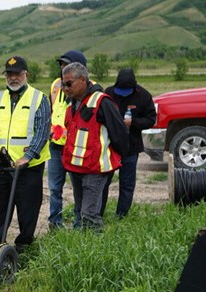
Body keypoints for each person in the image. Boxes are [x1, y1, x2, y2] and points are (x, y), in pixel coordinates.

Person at [0, 56, 51, 250]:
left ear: (26, 74)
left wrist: (27, 157)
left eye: (17, 74)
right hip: (1, 166)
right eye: (9, 74)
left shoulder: (39, 99)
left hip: (28, 168)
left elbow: (42, 132)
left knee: (27, 212)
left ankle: (23, 248)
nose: (13, 78)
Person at [60, 62, 128, 231]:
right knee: (80, 211)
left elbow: (119, 133)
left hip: (95, 169)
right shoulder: (72, 103)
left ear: (83, 80)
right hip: (76, 168)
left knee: (89, 214)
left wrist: (116, 158)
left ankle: (97, 252)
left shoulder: (102, 101)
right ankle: (83, 248)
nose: (65, 88)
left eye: (69, 84)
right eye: (63, 84)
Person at [101, 68, 156, 218]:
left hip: (131, 148)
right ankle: (98, 213)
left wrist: (134, 123)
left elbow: (151, 120)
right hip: (110, 148)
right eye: (121, 90)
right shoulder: (109, 93)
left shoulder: (143, 96)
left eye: (127, 91)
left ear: (134, 87)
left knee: (126, 185)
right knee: (103, 183)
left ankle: (121, 215)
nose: (123, 94)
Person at [48, 50, 89, 230]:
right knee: (54, 188)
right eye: (61, 65)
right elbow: (53, 109)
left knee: (79, 190)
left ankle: (78, 224)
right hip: (56, 146)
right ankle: (55, 224)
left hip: (76, 147)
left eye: (67, 65)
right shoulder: (56, 85)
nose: (62, 68)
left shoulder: (89, 88)